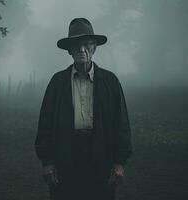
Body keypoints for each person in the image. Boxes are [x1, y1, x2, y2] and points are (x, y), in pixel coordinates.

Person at [35, 18, 132, 200]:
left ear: (94, 47)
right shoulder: (57, 82)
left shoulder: (110, 82)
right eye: (76, 45)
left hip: (101, 159)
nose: (81, 49)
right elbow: (45, 125)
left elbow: (122, 124)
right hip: (65, 158)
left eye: (87, 44)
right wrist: (47, 162)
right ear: (69, 50)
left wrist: (119, 163)